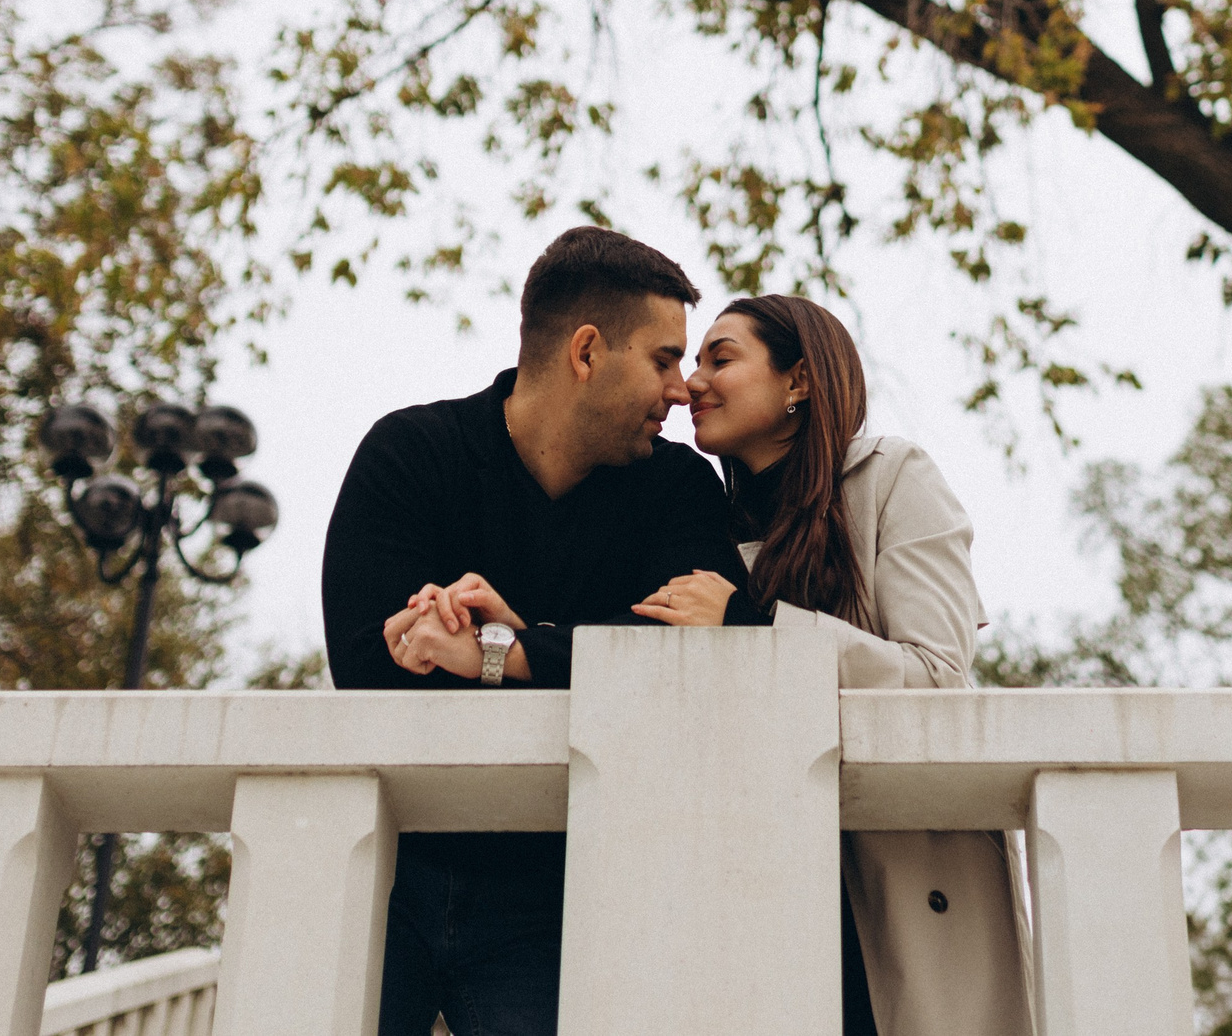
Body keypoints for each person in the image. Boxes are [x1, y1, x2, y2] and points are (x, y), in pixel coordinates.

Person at [322, 226, 752, 1036]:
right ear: (587, 351)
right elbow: (367, 667)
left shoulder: (679, 489)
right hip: (386, 868)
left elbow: (699, 667)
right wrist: (570, 648)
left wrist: (503, 648)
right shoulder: (411, 453)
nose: (683, 390)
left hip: (565, 889)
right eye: (665, 359)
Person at [634, 295, 1034, 1036]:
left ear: (800, 380)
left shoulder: (893, 476)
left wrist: (756, 629)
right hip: (762, 869)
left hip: (908, 865)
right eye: (692, 363)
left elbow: (938, 677)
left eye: (720, 358)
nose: (693, 382)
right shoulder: (699, 525)